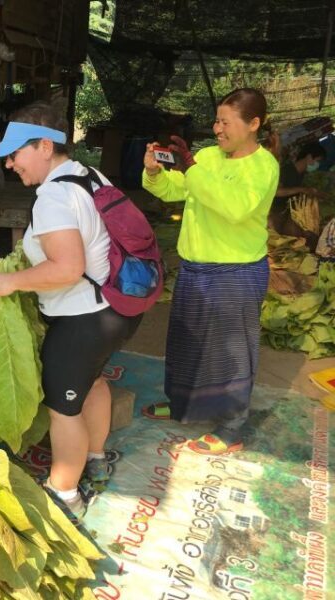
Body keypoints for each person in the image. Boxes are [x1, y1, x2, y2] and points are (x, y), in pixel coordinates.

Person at [0, 101, 142, 520]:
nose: (10, 165)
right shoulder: (89, 175)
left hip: (84, 320)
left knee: (63, 408)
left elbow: (68, 268)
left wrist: (11, 281)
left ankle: (64, 494)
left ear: (42, 146)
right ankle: (95, 458)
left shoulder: (52, 196)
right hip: (118, 309)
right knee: (92, 382)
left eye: (15, 154)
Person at [141, 87, 280, 455]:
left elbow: (234, 208)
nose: (217, 129)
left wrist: (192, 168)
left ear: (254, 124)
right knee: (188, 345)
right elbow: (180, 191)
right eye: (216, 120)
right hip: (195, 269)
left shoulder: (263, 166)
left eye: (226, 122)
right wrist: (154, 173)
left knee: (230, 354)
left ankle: (232, 426)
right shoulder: (206, 157)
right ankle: (184, 404)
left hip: (235, 274)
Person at [271, 141, 327, 245]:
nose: (318, 165)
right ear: (309, 157)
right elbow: (276, 192)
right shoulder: (287, 170)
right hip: (275, 215)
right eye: (318, 161)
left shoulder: (301, 174)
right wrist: (301, 189)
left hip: (285, 215)